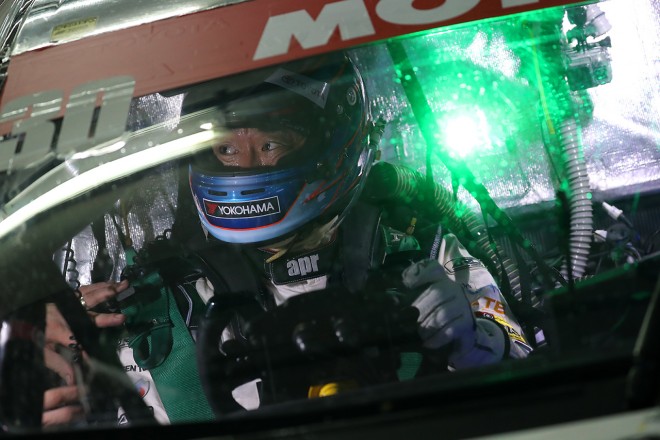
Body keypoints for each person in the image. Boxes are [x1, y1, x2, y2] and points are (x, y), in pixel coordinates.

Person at [42, 51, 532, 426]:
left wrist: (477, 345)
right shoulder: (152, 307)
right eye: (226, 149)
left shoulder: (422, 254)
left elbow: (532, 376)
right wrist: (62, 375)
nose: (246, 165)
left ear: (331, 144)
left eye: (270, 144)